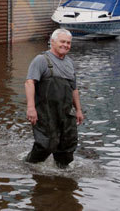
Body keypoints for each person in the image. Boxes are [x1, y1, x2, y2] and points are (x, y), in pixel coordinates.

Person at [25, 28, 84, 168]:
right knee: (46, 144)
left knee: (68, 145)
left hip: (65, 112)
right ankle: (29, 165)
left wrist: (79, 110)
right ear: (52, 42)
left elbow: (74, 89)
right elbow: (29, 82)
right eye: (62, 41)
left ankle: (62, 172)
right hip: (45, 112)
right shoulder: (42, 60)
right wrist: (31, 108)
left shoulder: (70, 63)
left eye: (68, 43)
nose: (66, 45)